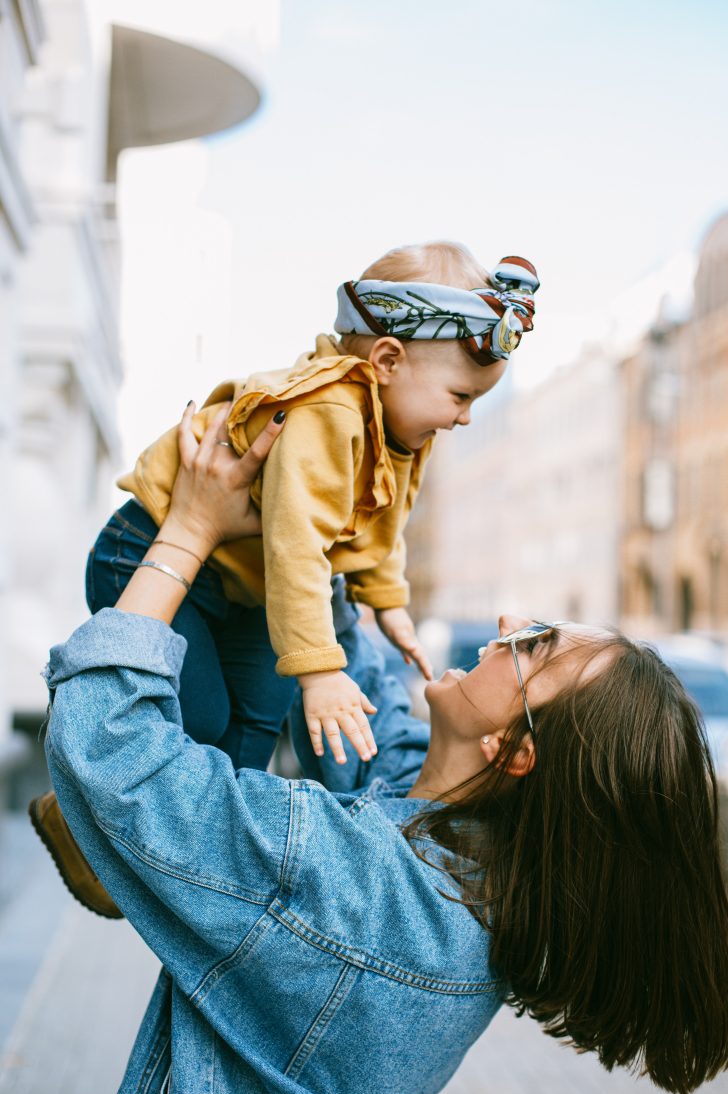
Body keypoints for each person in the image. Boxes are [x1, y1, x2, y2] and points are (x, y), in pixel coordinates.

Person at [41, 407, 728, 1094]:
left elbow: (110, 745)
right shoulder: (472, 853)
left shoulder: (357, 883)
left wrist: (189, 529)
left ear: (515, 750)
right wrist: (312, 504)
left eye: (534, 645)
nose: (507, 623)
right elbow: (370, 708)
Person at [30, 240, 539, 918]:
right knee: (203, 717)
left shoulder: (399, 430)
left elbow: (379, 522)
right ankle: (80, 814)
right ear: (387, 361)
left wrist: (388, 602)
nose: (465, 416)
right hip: (152, 549)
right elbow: (299, 544)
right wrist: (321, 671)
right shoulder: (328, 411)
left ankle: (188, 876)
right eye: (461, 396)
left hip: (247, 590)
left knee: (253, 733)